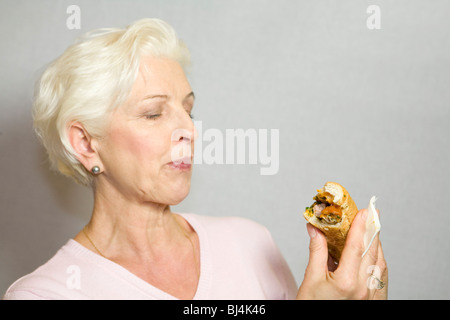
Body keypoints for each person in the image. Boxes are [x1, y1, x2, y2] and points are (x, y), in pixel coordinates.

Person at [3, 18, 387, 300]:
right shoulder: (45, 294)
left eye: (189, 110)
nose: (189, 130)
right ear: (86, 144)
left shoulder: (251, 244)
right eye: (153, 113)